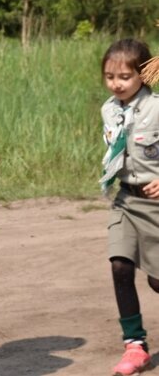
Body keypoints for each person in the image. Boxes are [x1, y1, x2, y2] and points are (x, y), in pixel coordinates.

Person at [99, 39, 159, 376]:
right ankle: (134, 345)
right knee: (120, 265)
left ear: (144, 74)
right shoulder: (109, 109)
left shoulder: (158, 108)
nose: (116, 83)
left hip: (157, 205)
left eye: (124, 76)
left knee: (157, 282)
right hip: (125, 199)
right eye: (109, 76)